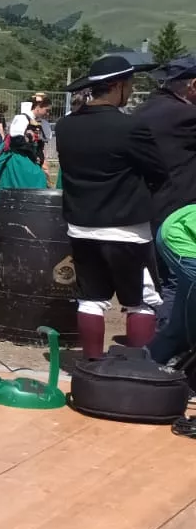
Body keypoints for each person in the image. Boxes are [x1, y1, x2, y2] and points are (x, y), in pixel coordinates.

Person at [56, 54, 165, 360]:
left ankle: (91, 362)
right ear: (116, 86)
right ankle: (138, 367)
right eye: (129, 85)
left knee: (91, 299)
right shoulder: (129, 128)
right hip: (127, 228)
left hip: (82, 225)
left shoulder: (65, 127)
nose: (130, 91)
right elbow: (159, 172)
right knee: (141, 299)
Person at [134, 57, 196, 329]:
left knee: (156, 279)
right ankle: (165, 348)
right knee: (178, 281)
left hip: (147, 207)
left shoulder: (143, 110)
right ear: (193, 85)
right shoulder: (185, 116)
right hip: (179, 211)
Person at [150, 203, 196, 366]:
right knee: (189, 324)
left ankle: (148, 364)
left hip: (179, 227)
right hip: (181, 234)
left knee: (179, 326)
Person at [8, 93, 50, 168]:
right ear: (38, 107)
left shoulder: (41, 122)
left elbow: (41, 143)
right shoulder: (22, 118)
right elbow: (17, 141)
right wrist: (32, 154)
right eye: (46, 110)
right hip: (20, 159)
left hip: (33, 160)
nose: (47, 113)